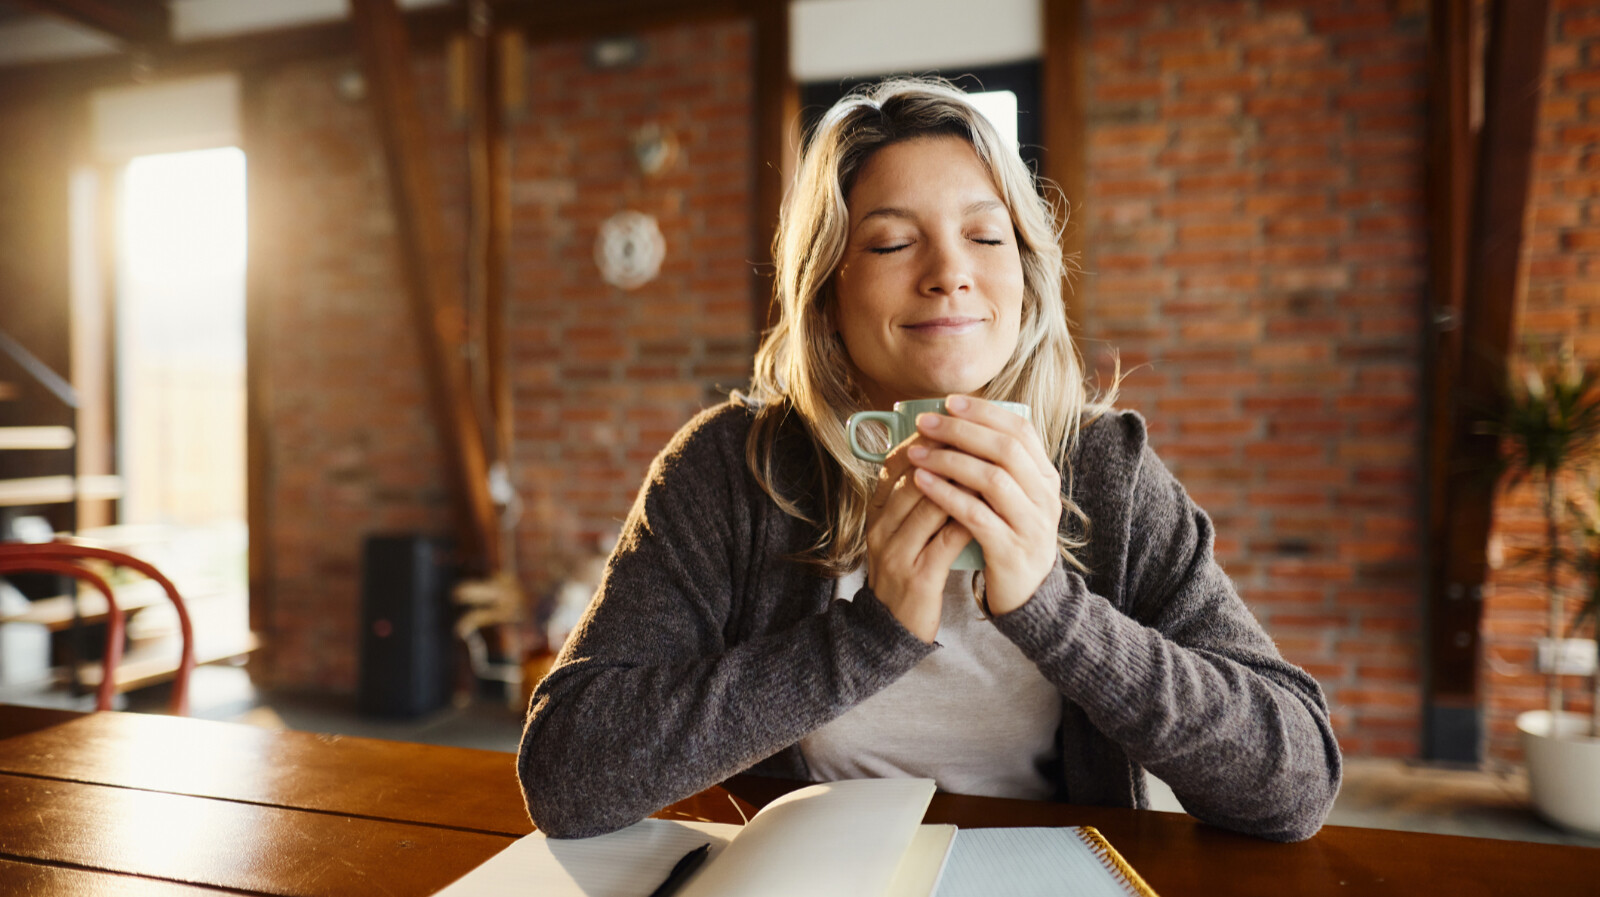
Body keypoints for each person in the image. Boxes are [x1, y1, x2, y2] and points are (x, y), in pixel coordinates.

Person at [518, 77, 1341, 842]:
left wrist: (1055, 611)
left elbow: (1296, 780)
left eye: (985, 235)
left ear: (1024, 276)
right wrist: (869, 635)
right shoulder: (731, 469)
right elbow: (567, 774)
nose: (950, 275)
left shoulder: (1103, 469)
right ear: (828, 295)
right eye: (890, 245)